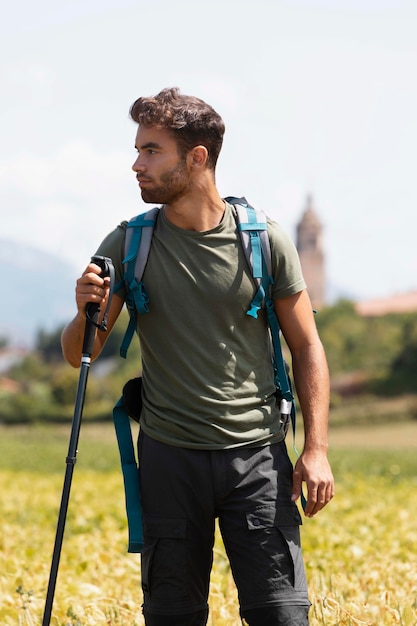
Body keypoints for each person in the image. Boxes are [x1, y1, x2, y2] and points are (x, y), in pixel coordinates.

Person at [61, 87, 334, 626]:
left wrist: (317, 449)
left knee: (282, 615)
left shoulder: (264, 241)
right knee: (172, 617)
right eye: (138, 150)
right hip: (168, 459)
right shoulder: (127, 245)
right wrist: (82, 311)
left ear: (197, 157)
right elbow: (81, 353)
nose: (135, 164)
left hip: (257, 459)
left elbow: (307, 346)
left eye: (150, 150)